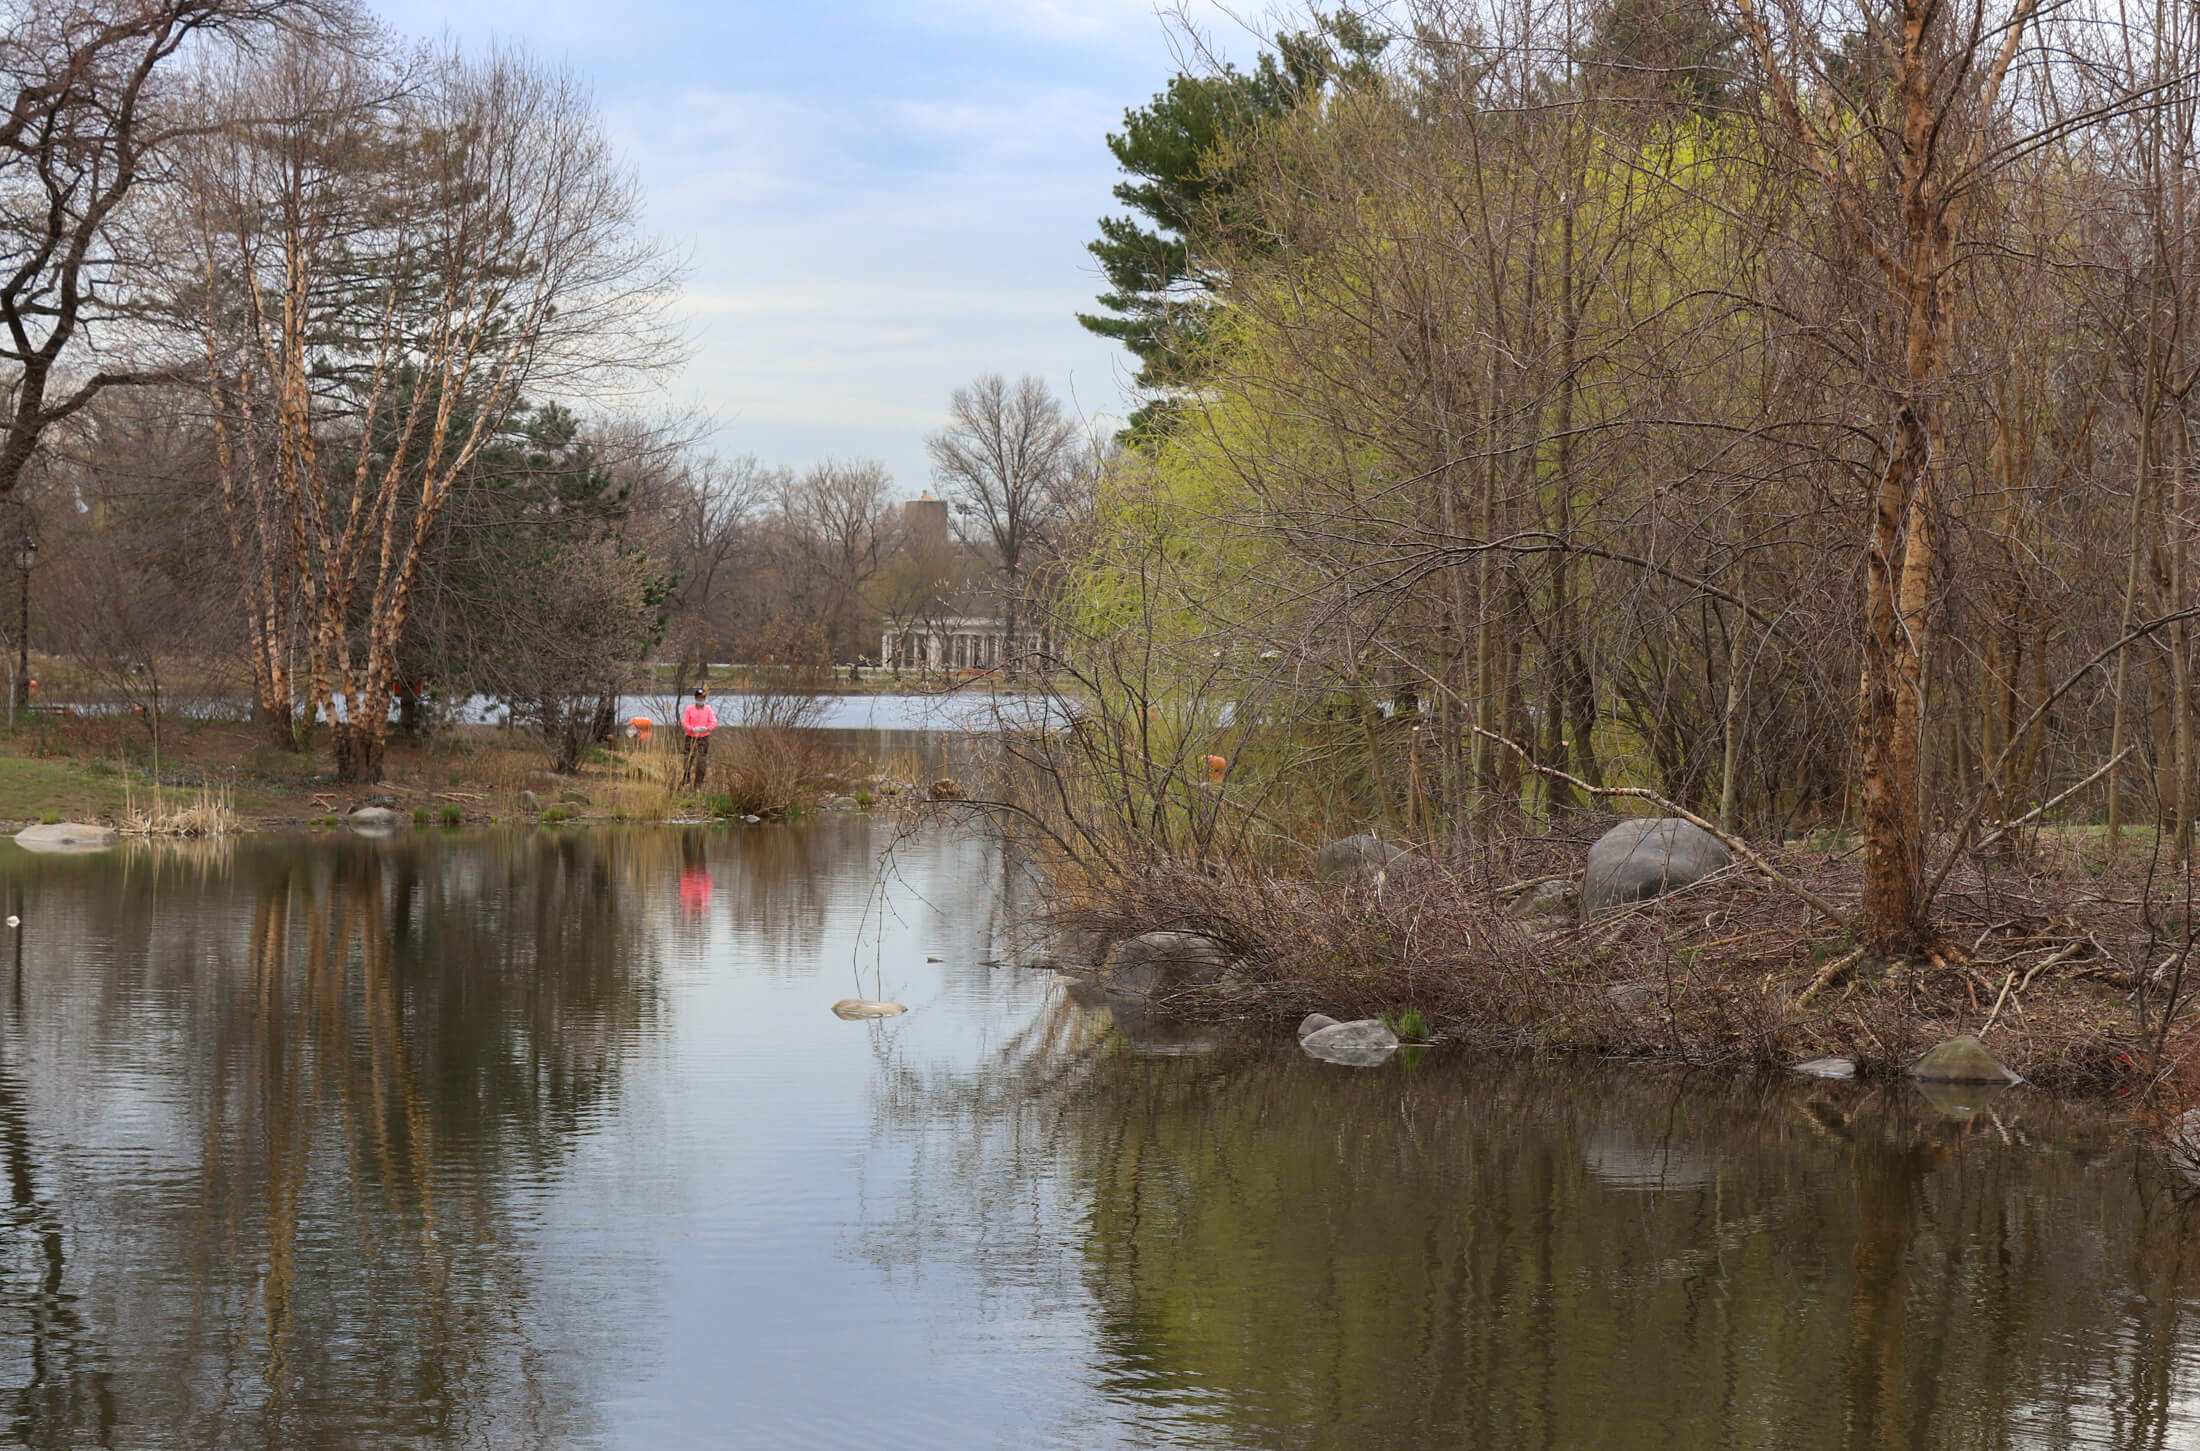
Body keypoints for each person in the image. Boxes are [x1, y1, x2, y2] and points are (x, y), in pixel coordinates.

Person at [680, 688, 718, 790]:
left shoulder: (708, 709)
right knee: (687, 759)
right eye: (698, 698)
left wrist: (707, 728)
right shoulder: (689, 709)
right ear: (695, 698)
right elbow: (684, 722)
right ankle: (686, 779)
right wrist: (691, 729)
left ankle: (698, 785)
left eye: (702, 698)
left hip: (703, 738)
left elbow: (714, 721)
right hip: (690, 737)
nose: (700, 700)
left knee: (702, 762)